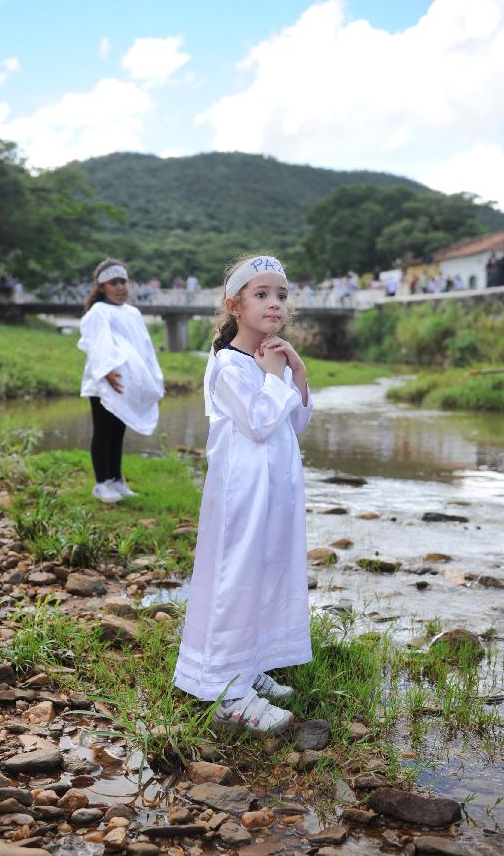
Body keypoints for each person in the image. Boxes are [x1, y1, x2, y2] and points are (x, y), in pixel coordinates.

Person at [174, 254, 313, 734]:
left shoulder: (269, 357)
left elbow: (294, 423)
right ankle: (227, 690)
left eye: (281, 295)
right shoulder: (228, 363)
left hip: (276, 489)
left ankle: (251, 665)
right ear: (234, 305)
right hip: (244, 491)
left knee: (268, 568)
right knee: (236, 577)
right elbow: (257, 422)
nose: (274, 303)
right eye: (262, 294)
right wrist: (275, 375)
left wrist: (296, 372)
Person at [78, 259, 164, 503]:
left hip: (126, 384)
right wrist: (106, 372)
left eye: (123, 282)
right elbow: (97, 344)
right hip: (104, 382)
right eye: (113, 283)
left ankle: (117, 480)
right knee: (103, 432)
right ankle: (101, 483)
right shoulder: (99, 312)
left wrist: (155, 380)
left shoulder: (133, 313)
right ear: (102, 286)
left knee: (118, 432)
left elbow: (144, 349)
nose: (120, 287)